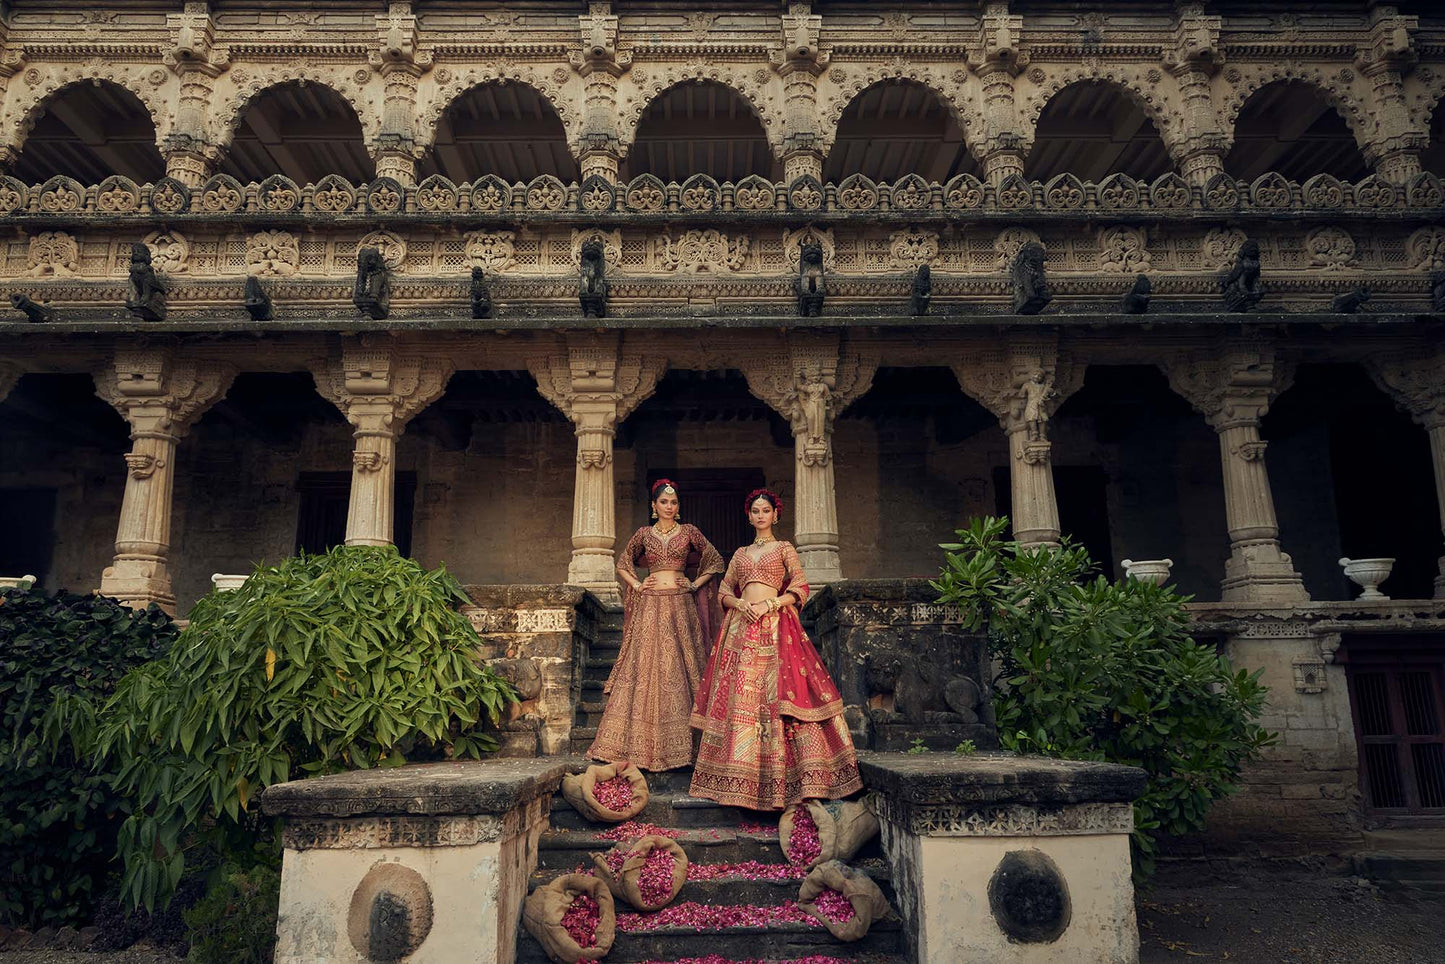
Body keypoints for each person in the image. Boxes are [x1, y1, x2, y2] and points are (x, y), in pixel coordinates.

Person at [689, 488, 863, 809]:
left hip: (775, 626)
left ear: (775, 515)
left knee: (778, 698)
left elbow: (800, 586)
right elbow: (723, 591)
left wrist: (771, 602)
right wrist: (740, 604)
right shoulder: (740, 554)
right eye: (755, 511)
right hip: (742, 628)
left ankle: (784, 781)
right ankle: (738, 777)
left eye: (765, 511)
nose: (760, 516)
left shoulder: (784, 549)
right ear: (749, 515)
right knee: (743, 700)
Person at [587, 479, 725, 771]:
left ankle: (690, 745)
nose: (669, 507)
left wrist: (694, 583)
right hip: (650, 605)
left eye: (673, 503)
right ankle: (637, 746)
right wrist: (638, 585)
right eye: (664, 502)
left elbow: (714, 560)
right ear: (654, 506)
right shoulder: (644, 535)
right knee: (647, 665)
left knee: (681, 665)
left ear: (678, 506)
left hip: (680, 605)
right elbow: (623, 563)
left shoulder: (688, 532)